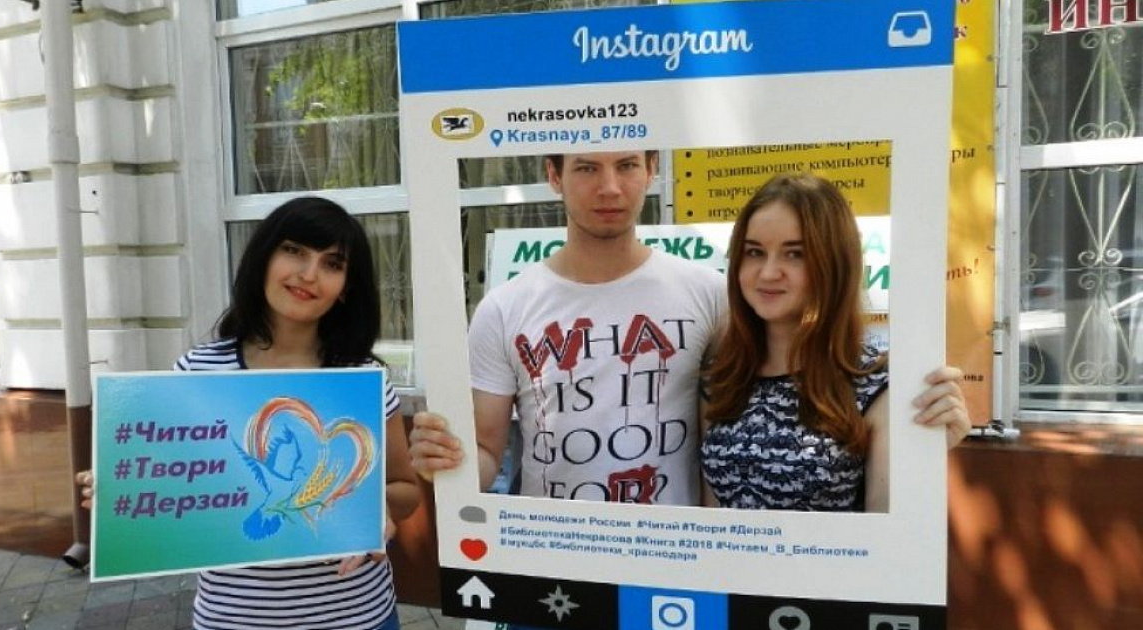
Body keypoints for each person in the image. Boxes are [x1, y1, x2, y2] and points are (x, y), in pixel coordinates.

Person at [408, 152, 970, 503]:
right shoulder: (503, 309)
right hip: (559, 566)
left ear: (652, 171)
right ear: (553, 175)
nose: (610, 188)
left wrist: (926, 441)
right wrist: (445, 462)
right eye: (586, 168)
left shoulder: (706, 294)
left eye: (627, 165)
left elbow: (893, 523)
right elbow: (485, 452)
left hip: (679, 568)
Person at [77, 196, 419, 630]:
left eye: (332, 264)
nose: (308, 274)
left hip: (356, 616)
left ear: (346, 287)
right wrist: (124, 489)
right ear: (263, 258)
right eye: (293, 251)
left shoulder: (363, 379)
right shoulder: (198, 371)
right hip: (233, 618)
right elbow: (177, 484)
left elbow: (406, 491)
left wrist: (372, 508)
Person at [700, 173, 969, 512]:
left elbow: (890, 525)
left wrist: (921, 456)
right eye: (754, 252)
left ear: (834, 264)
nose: (768, 272)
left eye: (795, 254)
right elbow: (708, 519)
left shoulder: (878, 381)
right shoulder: (721, 377)